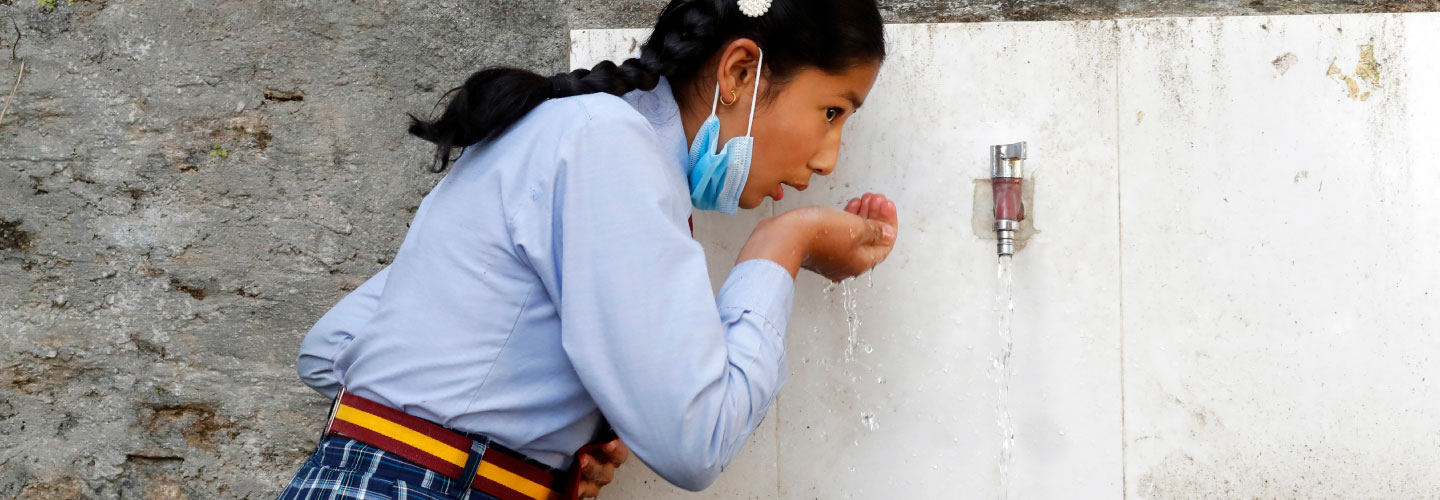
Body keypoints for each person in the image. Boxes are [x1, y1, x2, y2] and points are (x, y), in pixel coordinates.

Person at [277, 0, 896, 498]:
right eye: (832, 111)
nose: (827, 157)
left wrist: (545, 433)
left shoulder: (572, 131)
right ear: (739, 71)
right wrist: (784, 242)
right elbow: (696, 442)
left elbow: (331, 348)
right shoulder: (608, 145)